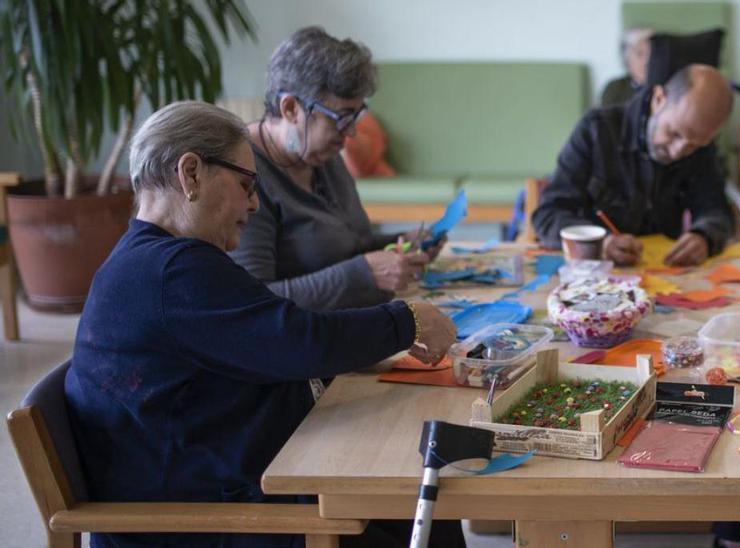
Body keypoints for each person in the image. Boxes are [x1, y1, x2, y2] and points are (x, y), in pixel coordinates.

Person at [64, 101, 464, 548]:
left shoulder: (152, 259)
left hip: (222, 481)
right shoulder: (173, 272)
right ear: (191, 173)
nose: (255, 204)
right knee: (419, 501)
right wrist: (408, 319)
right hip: (204, 522)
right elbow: (296, 340)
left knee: (422, 498)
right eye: (246, 184)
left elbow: (272, 336)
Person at [230, 26, 442, 312]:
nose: (351, 132)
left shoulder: (321, 155)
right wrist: (364, 275)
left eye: (356, 115)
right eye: (341, 118)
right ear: (291, 108)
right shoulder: (243, 175)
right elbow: (253, 303)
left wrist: (398, 245)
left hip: (349, 325)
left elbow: (351, 247)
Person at [533, 63, 735, 267]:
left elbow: (716, 210)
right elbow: (549, 214)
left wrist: (704, 237)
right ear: (658, 99)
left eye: (693, 145)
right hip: (593, 275)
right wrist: (600, 243)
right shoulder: (596, 130)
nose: (677, 151)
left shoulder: (701, 147)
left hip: (665, 275)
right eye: (673, 133)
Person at [600, 27, 654, 107]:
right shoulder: (615, 88)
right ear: (626, 59)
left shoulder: (669, 86)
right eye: (640, 54)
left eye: (653, 53)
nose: (647, 60)